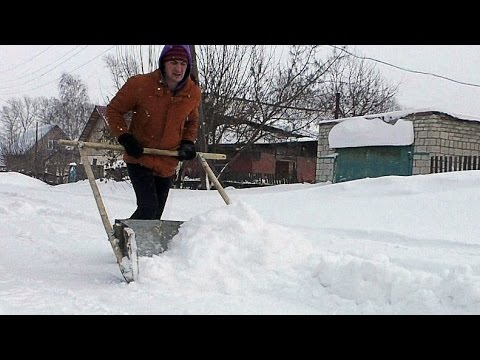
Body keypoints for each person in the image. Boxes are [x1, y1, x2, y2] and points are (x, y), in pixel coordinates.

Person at [105, 45, 201, 220]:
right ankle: (124, 241)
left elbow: (192, 120)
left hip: (167, 160)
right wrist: (125, 137)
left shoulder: (192, 92)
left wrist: (188, 142)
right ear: (163, 63)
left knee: (155, 214)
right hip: (140, 156)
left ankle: (132, 241)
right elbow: (113, 110)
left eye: (182, 63)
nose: (178, 69)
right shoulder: (140, 85)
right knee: (148, 208)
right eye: (173, 62)